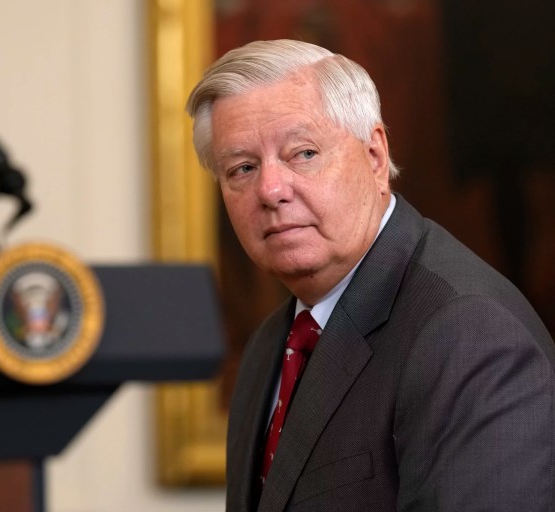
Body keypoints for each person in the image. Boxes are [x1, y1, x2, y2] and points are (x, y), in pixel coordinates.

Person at [186, 39, 555, 512]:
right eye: (242, 168)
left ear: (376, 157)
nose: (271, 189)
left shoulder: (471, 335)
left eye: (303, 153)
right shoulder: (268, 347)